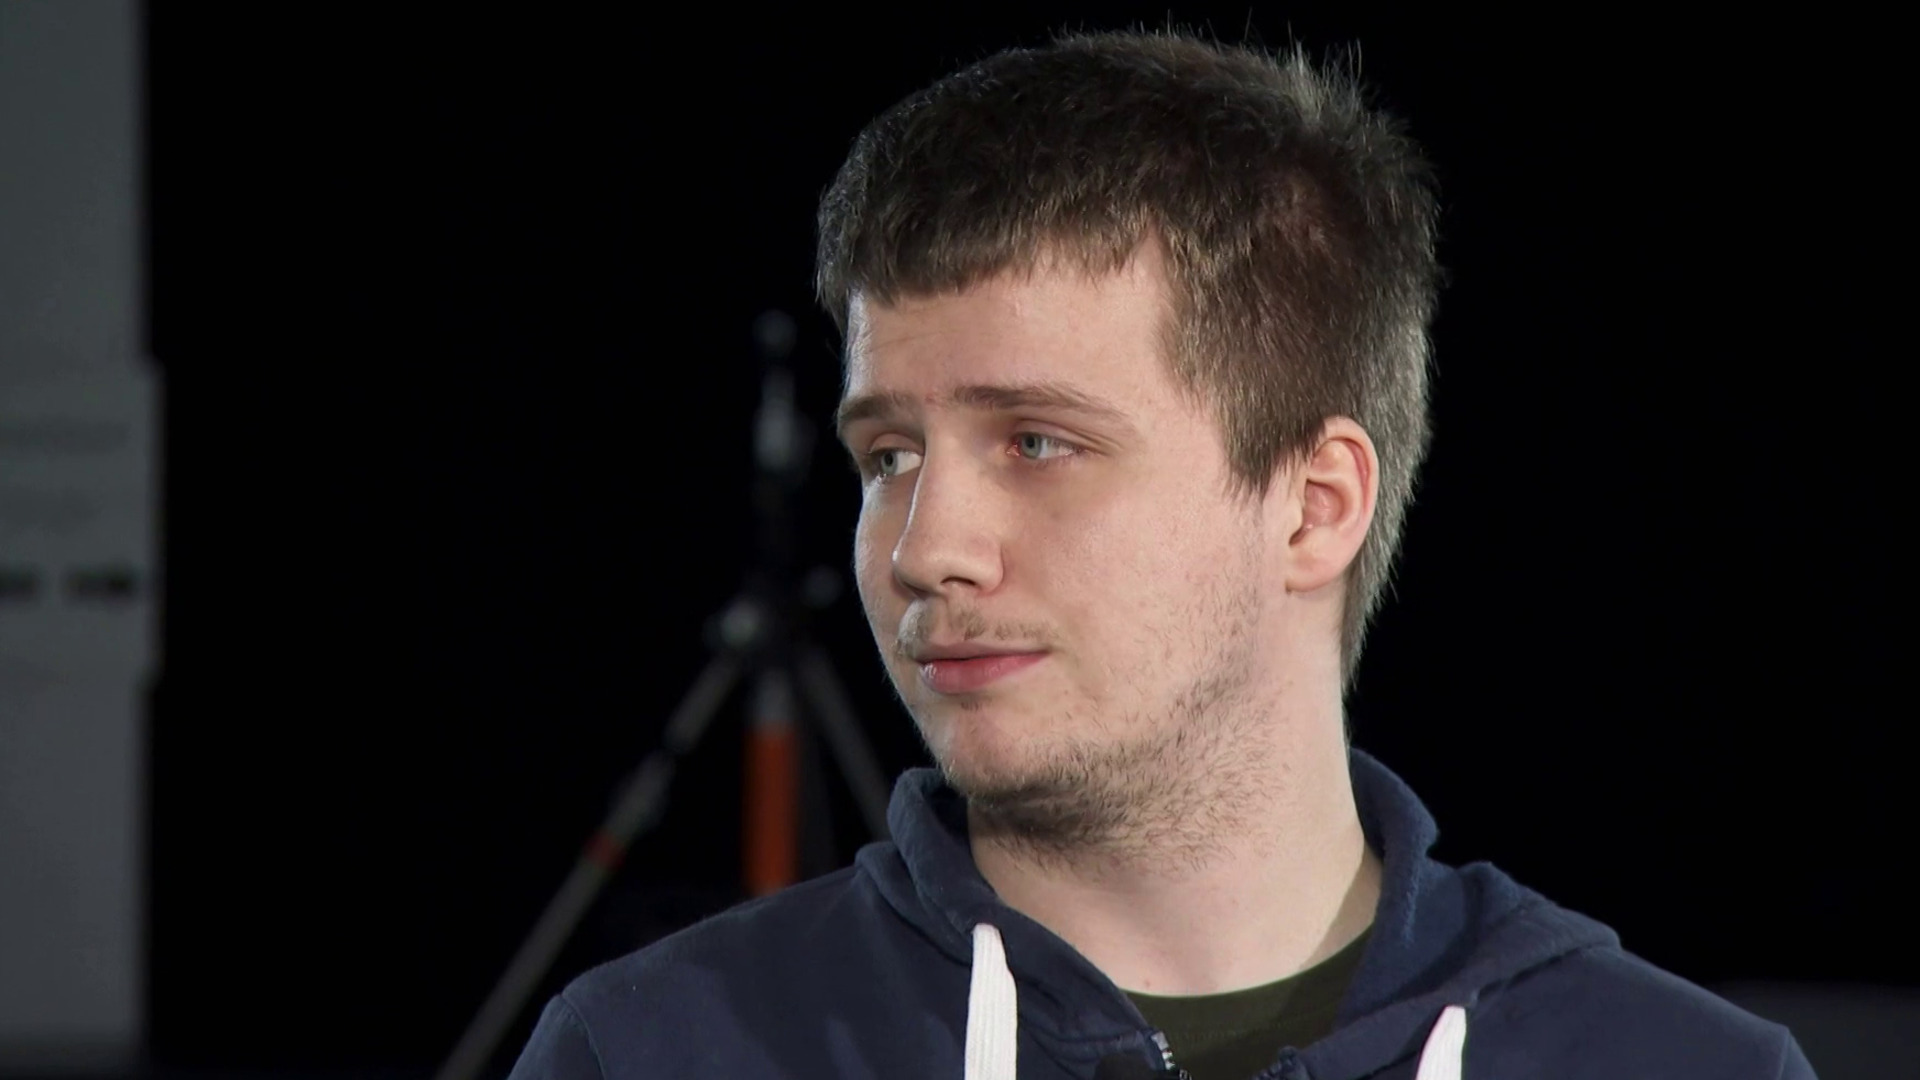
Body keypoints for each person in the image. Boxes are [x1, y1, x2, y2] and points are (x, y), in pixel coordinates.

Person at [508, 30, 1814, 1080]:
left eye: (1037, 442)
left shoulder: (1680, 1065)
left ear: (1313, 507)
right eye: (890, 455)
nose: (926, 548)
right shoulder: (655, 1051)